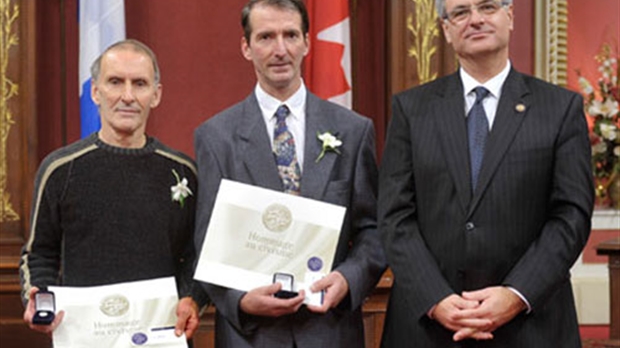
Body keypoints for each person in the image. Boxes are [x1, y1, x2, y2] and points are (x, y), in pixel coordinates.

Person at [379, 0, 594, 347]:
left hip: (530, 326)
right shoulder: (411, 109)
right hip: (429, 327)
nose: (475, 19)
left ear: (509, 17)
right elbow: (394, 216)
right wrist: (436, 299)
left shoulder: (559, 108)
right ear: (447, 30)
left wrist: (516, 293)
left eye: (488, 7)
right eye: (461, 12)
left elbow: (571, 216)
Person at [193, 0, 386, 346]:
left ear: (307, 43)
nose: (280, 50)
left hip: (330, 330)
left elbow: (374, 230)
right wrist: (239, 299)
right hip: (251, 335)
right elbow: (207, 241)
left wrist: (347, 278)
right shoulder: (215, 137)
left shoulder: (353, 130)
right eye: (266, 37)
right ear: (246, 47)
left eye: (290, 35)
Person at [19, 39, 207, 343]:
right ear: (95, 91)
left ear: (156, 94)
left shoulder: (185, 172)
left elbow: (197, 255)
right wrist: (37, 296)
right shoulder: (59, 169)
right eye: (116, 82)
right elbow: (39, 253)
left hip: (162, 336)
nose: (128, 96)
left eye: (140, 84)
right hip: (83, 338)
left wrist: (192, 298)